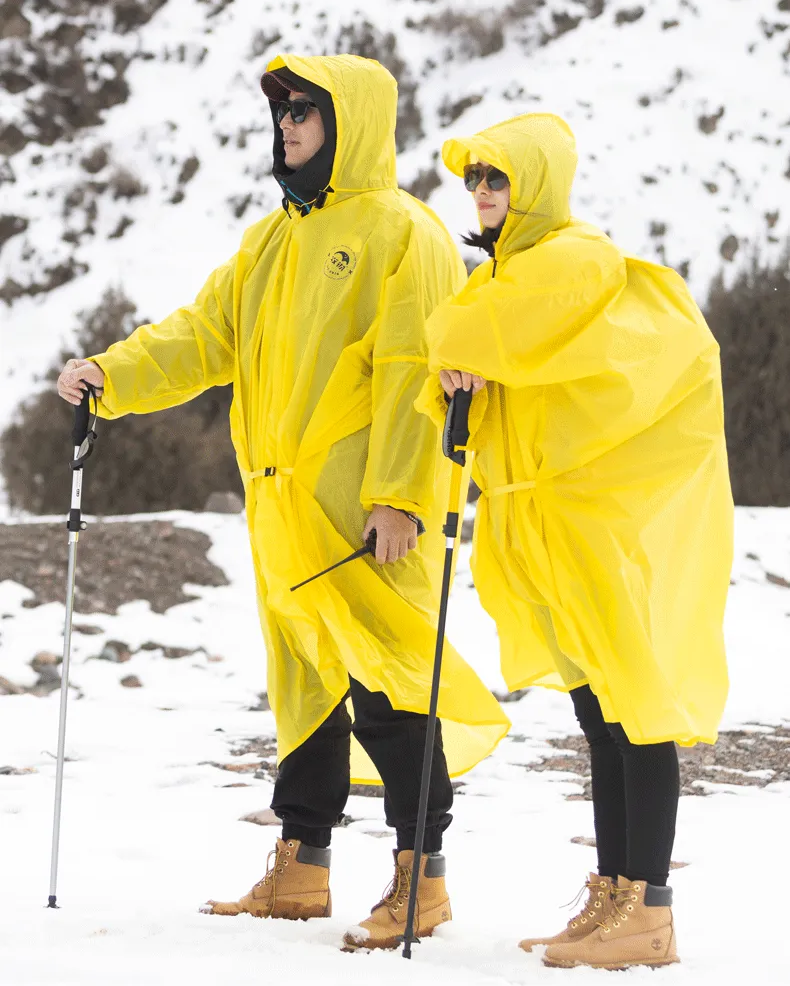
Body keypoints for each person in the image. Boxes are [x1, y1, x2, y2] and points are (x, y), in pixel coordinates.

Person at [57, 54, 508, 951]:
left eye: (305, 109)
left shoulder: (403, 232)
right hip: (282, 507)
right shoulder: (269, 241)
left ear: (350, 122)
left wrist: (401, 497)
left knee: (387, 684)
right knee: (302, 687)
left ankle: (422, 876)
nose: (288, 124)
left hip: (367, 512)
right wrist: (112, 373)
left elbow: (414, 374)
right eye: (283, 111)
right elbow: (202, 337)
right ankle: (302, 865)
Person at [416, 113, 733, 971]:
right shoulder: (509, 271)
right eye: (475, 179)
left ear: (538, 185)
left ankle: (649, 909)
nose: (482, 193)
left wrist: (457, 351)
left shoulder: (569, 258)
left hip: (593, 524)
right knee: (600, 715)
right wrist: (457, 370)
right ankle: (615, 892)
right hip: (548, 525)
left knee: (634, 708)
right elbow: (465, 348)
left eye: (498, 178)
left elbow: (456, 331)